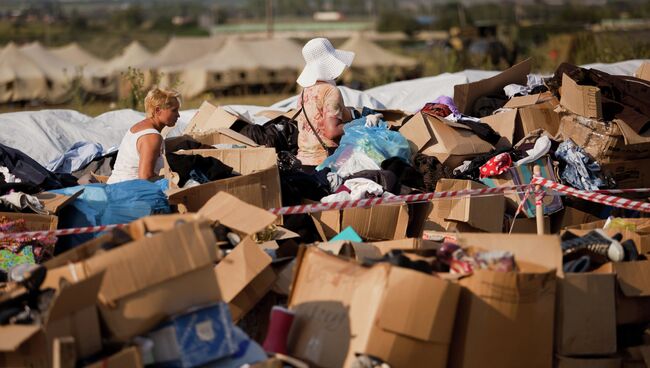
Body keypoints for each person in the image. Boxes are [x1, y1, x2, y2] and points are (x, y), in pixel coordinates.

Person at [295, 38, 355, 172]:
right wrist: (358, 124)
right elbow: (331, 132)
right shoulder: (330, 91)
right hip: (325, 163)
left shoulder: (304, 93)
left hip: (303, 163)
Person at [107, 87, 180, 184]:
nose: (178, 115)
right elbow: (145, 178)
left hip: (117, 186)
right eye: (174, 110)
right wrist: (172, 177)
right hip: (130, 192)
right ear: (158, 110)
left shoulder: (139, 127)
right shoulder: (151, 136)